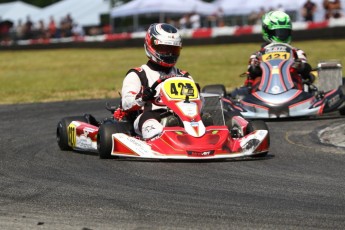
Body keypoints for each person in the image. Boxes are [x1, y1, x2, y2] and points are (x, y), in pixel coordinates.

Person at [117, 23, 193, 139]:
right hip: (149, 116)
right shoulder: (138, 74)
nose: (169, 54)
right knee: (149, 119)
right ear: (151, 46)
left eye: (173, 49)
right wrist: (142, 97)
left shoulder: (183, 76)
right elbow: (126, 103)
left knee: (202, 118)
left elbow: (197, 105)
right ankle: (159, 137)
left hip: (182, 116)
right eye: (164, 49)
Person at [245, 11, 314, 91]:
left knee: (302, 80)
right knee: (255, 81)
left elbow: (306, 69)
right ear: (267, 31)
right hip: (264, 89)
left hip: (291, 87)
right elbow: (251, 72)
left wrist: (300, 66)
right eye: (278, 32)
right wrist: (256, 67)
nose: (282, 35)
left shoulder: (297, 52)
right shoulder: (257, 55)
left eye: (284, 32)